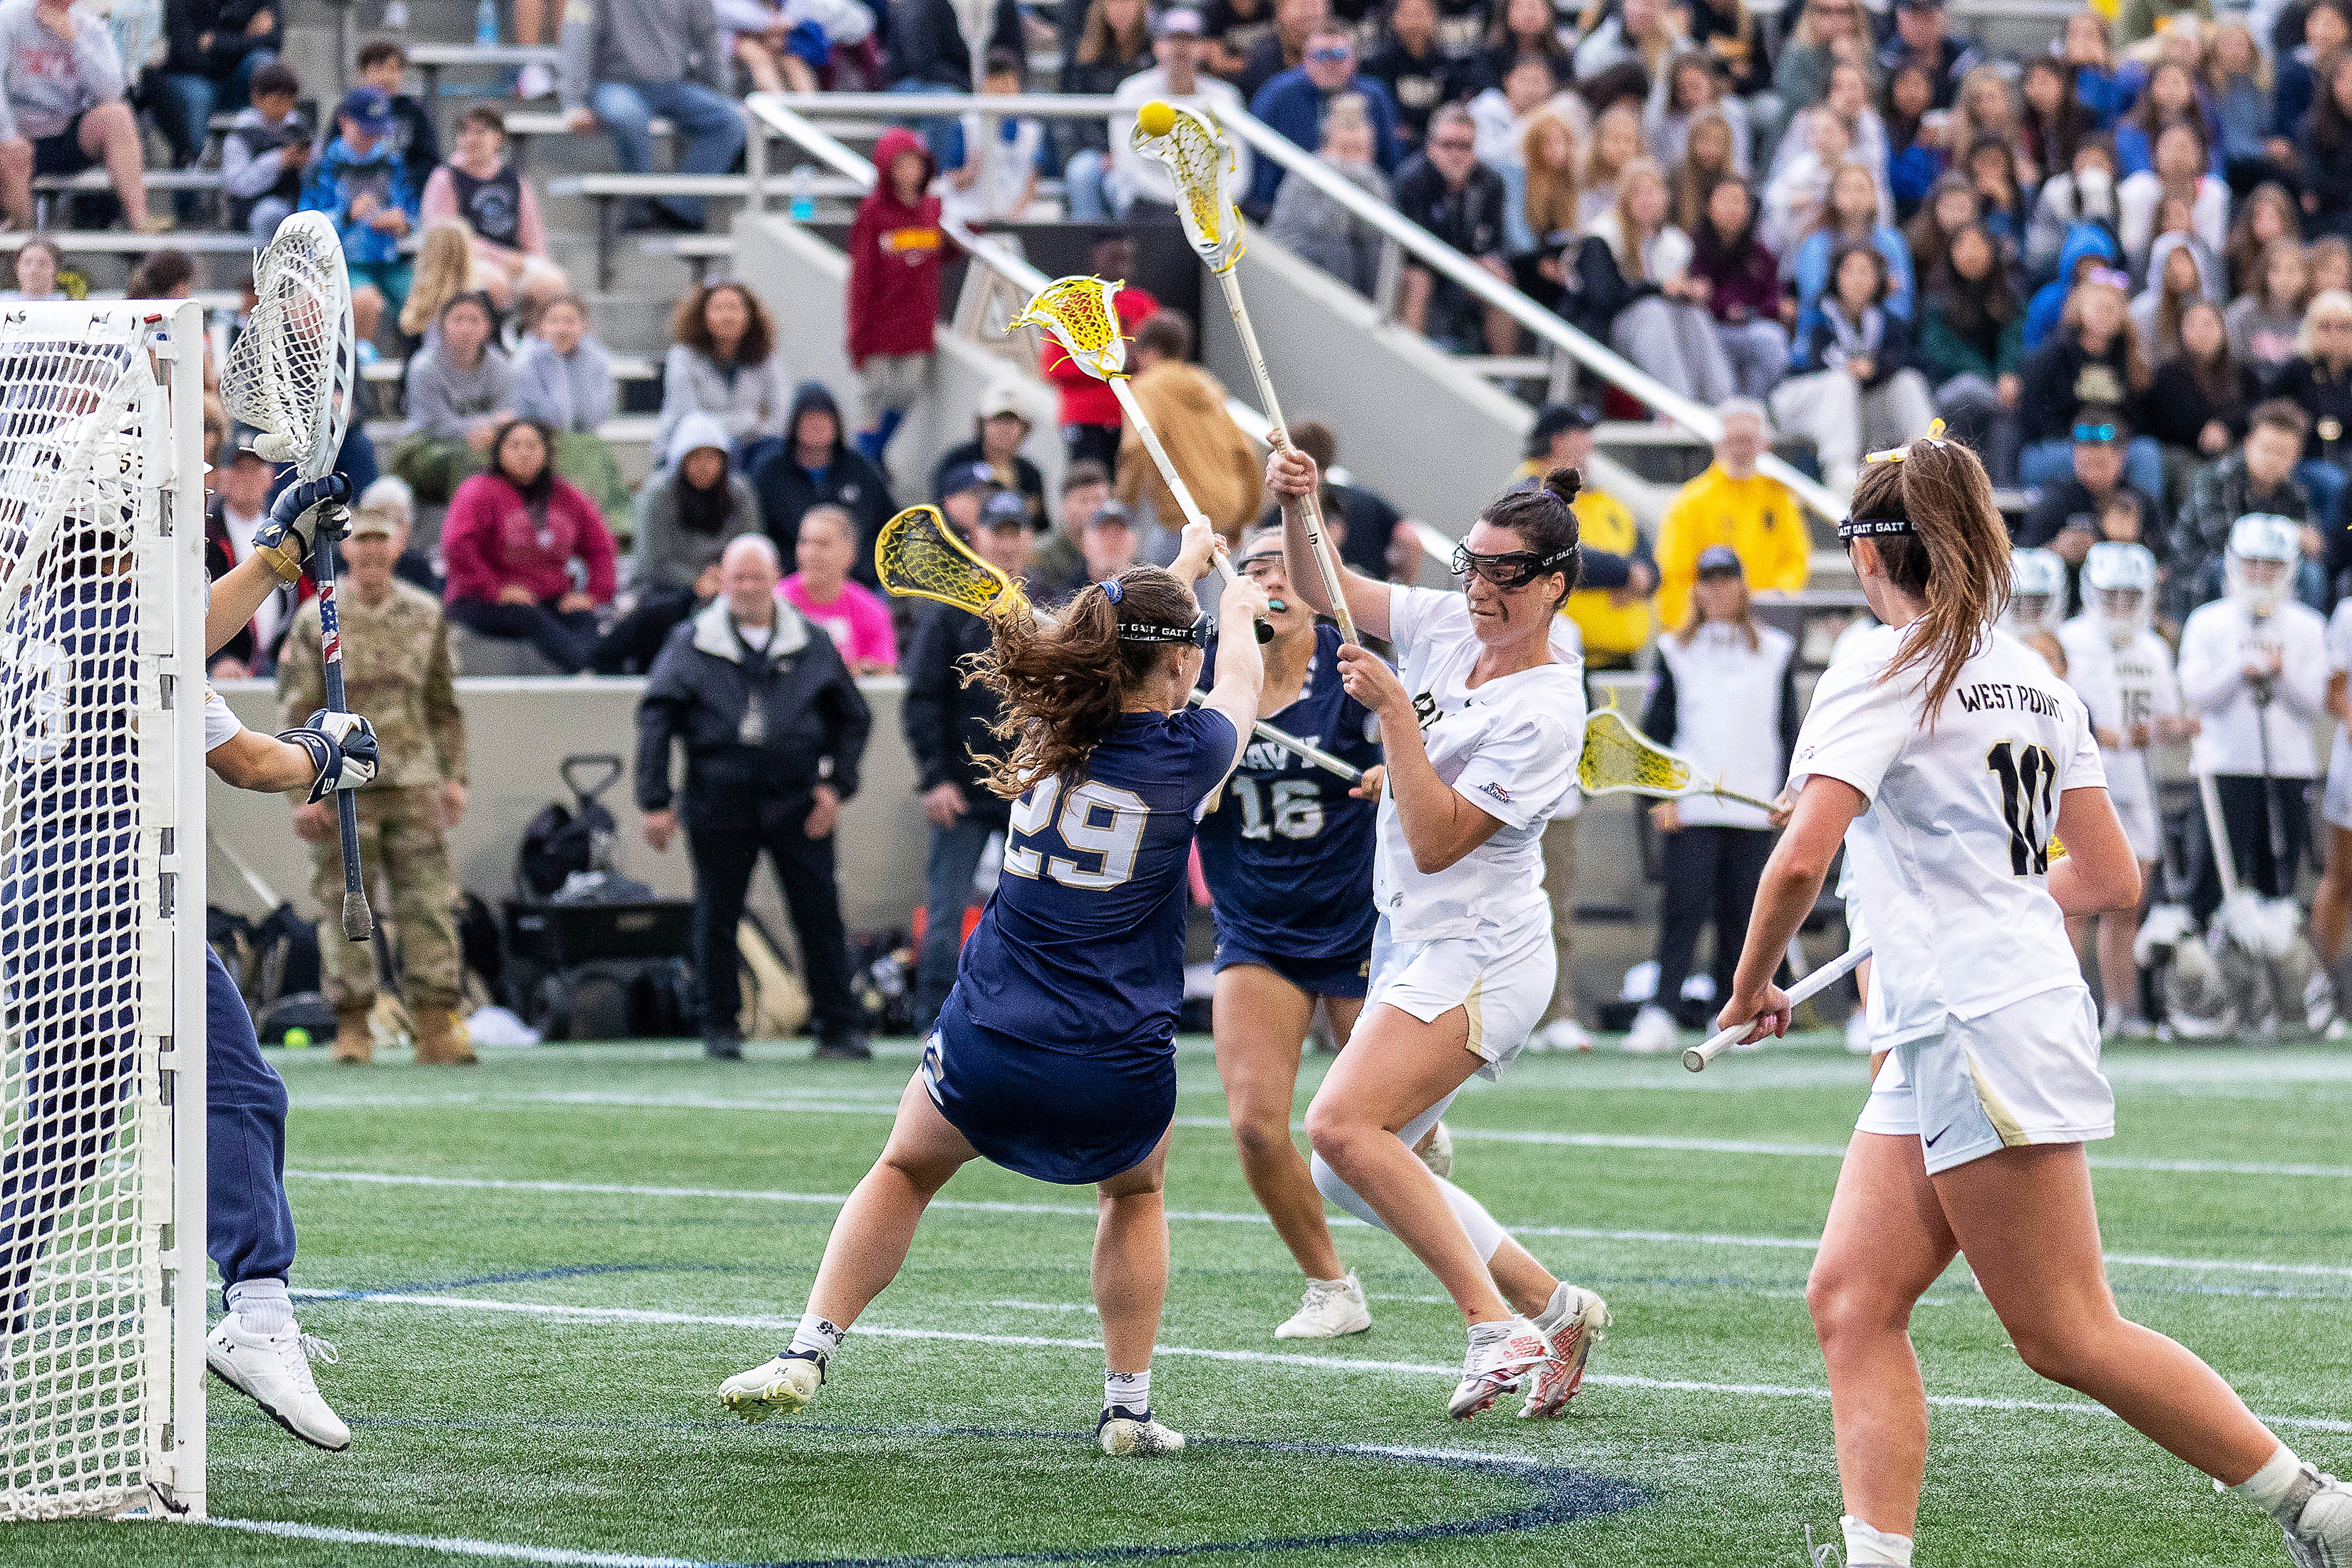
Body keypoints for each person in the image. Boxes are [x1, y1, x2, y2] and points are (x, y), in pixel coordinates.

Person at [1712, 432, 2352, 1568]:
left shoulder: (1879, 663)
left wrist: (1754, 980)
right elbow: (2109, 880)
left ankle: (2319, 1509)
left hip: (1976, 1021)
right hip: (1964, 1014)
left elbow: (1801, 862)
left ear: (1872, 553)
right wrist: (1975, 897)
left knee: (2064, 1332)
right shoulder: (2033, 671)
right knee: (1852, 1300)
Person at [717, 528, 1269, 1458]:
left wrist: (1174, 579)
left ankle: (808, 1351)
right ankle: (1126, 1410)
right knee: (1133, 1195)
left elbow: (1117, 635)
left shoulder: (1054, 720)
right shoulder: (1190, 753)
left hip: (994, 1035)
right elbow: (1239, 688)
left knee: (904, 1170)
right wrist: (1240, 609)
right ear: (1178, 661)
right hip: (1116, 1054)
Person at [1265, 445, 1610, 1421]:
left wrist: (1394, 729)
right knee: (1345, 1167)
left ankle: (1492, 1328)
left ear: (1552, 584)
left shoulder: (1548, 709)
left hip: (1485, 953)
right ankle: (1555, 1308)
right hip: (1423, 941)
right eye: (1473, 565)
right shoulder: (1448, 622)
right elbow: (1319, 584)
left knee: (1337, 1126)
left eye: (1504, 575)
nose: (1480, 590)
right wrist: (1301, 506)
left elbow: (1441, 836)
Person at [191, 495, 374, 1452]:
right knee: (241, 1092)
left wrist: (315, 753)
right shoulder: (133, 634)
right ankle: (259, 1315)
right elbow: (259, 764)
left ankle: (260, 1309)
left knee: (69, 1135)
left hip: (44, 908)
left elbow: (257, 759)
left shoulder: (63, 616)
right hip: (109, 905)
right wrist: (276, 558)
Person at [1195, 528, 1388, 1339]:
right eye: (1253, 563)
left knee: (1377, 1125)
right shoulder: (1203, 666)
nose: (1266, 573)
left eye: (1282, 562)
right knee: (1253, 1121)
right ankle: (1330, 1285)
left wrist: (1398, 770)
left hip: (1358, 919)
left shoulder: (1353, 667)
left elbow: (1439, 752)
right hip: (1256, 923)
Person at [637, 535, 873, 1062]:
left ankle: (838, 1026)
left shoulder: (810, 642)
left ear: (775, 580)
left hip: (798, 801)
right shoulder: (691, 641)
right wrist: (655, 799)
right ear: (722, 580)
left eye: (756, 577)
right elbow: (655, 720)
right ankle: (720, 1026)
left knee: (818, 913)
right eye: (737, 578)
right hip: (718, 799)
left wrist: (836, 786)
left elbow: (854, 718)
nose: (747, 588)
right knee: (718, 915)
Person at [277, 495, 470, 1067]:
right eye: (360, 540)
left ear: (399, 545)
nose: (370, 551)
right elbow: (297, 709)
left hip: (413, 779)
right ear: (344, 546)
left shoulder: (426, 612)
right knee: (343, 903)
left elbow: (443, 705)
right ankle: (353, 1024)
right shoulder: (319, 618)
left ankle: (437, 1023)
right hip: (342, 784)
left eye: (381, 539)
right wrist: (301, 791)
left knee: (429, 903)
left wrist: (453, 778)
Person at [1622, 545, 1797, 1056]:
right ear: (1696, 588)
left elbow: (1788, 730)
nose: (1717, 590)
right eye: (1708, 580)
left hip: (1755, 807)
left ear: (1742, 585)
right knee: (1683, 909)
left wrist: (1790, 793)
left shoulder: (1775, 650)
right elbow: (1657, 732)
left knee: (1746, 916)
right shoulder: (1675, 650)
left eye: (1726, 579)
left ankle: (1736, 1013)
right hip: (1694, 807)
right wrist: (1659, 797)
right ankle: (1662, 1010)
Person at [903, 499, 1036, 1033]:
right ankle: (930, 1019)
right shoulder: (949, 611)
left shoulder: (1047, 606)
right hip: (964, 787)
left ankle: (1024, 1015)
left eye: (1016, 531)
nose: (1006, 542)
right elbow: (923, 700)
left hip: (1032, 788)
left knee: (1036, 912)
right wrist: (934, 778)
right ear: (976, 536)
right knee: (946, 914)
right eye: (996, 531)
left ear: (1030, 538)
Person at [2059, 542, 2187, 1037]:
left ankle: (2123, 1007)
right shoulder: (2067, 641)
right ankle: (2067, 1008)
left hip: (2135, 780)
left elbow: (2162, 715)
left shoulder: (2151, 648)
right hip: (2080, 783)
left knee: (2129, 899)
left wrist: (2172, 727)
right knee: (2074, 902)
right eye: (2110, 596)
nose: (2119, 608)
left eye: (2130, 597)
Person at [2178, 514, 2329, 922]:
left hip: (2290, 767)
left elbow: (2316, 703)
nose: (2261, 573)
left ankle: (2272, 976)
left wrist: (2281, 675)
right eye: (2252, 562)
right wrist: (2238, 669)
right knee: (2212, 880)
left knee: (2278, 883)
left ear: (2290, 568)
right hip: (2222, 765)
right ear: (2233, 562)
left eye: (2273, 564)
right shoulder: (2207, 620)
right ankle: (2208, 977)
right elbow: (2195, 695)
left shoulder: (2308, 625)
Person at [442, 416, 617, 674]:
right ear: (499, 451)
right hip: (481, 599)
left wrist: (593, 594)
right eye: (514, 446)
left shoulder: (565, 494)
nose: (524, 454)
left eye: (532, 446)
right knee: (527, 616)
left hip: (548, 598)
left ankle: (598, 673)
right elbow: (457, 546)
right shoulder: (479, 491)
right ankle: (586, 669)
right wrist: (497, 590)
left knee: (582, 618)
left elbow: (600, 544)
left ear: (546, 452)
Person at [559, 0, 745, 232]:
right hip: (615, 83)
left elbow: (709, 37)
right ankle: (640, 208)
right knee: (628, 116)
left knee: (732, 123)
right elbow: (577, 36)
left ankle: (680, 209)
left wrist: (723, 96)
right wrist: (573, 101)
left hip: (674, 85)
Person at [1773, 241, 1938, 492]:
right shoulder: (1818, 312)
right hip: (1799, 401)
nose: (1857, 279)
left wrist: (1872, 367)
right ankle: (1840, 473)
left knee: (1908, 381)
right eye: (1849, 270)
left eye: (1865, 271)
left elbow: (1900, 359)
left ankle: (1929, 462)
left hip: (1852, 412)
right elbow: (1816, 359)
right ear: (1836, 275)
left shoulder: (1888, 321)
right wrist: (1856, 367)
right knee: (1841, 380)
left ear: (1878, 279)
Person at [1580, 157, 1735, 405]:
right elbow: (1602, 296)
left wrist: (1689, 290)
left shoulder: (1674, 242)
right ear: (1626, 198)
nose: (1648, 200)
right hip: (1612, 329)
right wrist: (1658, 288)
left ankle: (1720, 402)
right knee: (1653, 312)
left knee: (1691, 313)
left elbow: (1678, 288)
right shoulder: (1603, 236)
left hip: (1664, 326)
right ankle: (1676, 405)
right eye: (1640, 193)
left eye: (1655, 191)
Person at [0, 0, 156, 233]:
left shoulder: (90, 26)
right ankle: (25, 249)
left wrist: (76, 40)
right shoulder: (9, 17)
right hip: (16, 136)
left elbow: (111, 93)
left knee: (117, 115)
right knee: (10, 154)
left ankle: (140, 223)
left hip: (66, 134)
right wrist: (7, 135)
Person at [1523, 402, 1656, 671]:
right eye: (1582, 434)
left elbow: (1650, 563)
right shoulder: (1529, 494)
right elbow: (1554, 552)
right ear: (1558, 441)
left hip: (1618, 660)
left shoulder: (1606, 501)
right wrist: (1624, 574)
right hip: (1558, 660)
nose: (1590, 445)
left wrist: (1639, 576)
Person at [1654, 401, 1810, 627]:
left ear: (1764, 445)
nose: (1741, 448)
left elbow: (1795, 558)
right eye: (1734, 440)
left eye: (1748, 440)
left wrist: (1778, 595)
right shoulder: (1692, 500)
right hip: (1706, 626)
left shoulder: (1779, 498)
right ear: (1719, 445)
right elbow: (1675, 570)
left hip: (1763, 625)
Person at [2017, 268, 2165, 505]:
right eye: (2099, 308)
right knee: (2036, 462)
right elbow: (2032, 411)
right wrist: (2084, 448)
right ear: (2081, 310)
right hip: (2064, 444)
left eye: (2111, 310)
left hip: (2116, 447)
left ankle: (2145, 527)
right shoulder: (2054, 354)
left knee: (2148, 453)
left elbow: (2142, 416)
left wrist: (2111, 447)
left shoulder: (2131, 358)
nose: (2104, 315)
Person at [1115, 310, 1264, 547]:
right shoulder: (1208, 386)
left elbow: (1138, 444)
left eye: (1138, 354)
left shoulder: (1147, 387)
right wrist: (1244, 518)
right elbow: (1245, 451)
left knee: (1165, 579)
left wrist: (1124, 503)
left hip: (1183, 512)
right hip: (1228, 506)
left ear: (1151, 352)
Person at [2170, 400, 2323, 625]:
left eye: (2283, 453)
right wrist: (2291, 534)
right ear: (2249, 442)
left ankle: (2296, 641)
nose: (2272, 460)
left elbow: (2313, 544)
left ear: (2296, 457)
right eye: (2266, 449)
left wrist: (2301, 540)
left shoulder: (2294, 492)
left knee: (2310, 573)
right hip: (2201, 574)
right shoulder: (2214, 478)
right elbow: (2224, 542)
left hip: (2266, 569)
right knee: (2228, 567)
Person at [625, 411, 763, 659]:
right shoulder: (658, 494)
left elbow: (753, 547)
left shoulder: (740, 493)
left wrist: (726, 578)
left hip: (729, 585)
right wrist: (697, 581)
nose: (704, 465)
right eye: (695, 457)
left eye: (712, 457)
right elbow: (650, 561)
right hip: (665, 589)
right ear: (681, 460)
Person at [845, 128, 942, 465]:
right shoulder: (873, 213)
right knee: (873, 396)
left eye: (914, 164)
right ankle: (867, 460)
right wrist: (858, 332)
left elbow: (936, 253)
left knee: (908, 392)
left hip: (917, 324)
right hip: (880, 324)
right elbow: (863, 276)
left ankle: (873, 457)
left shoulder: (932, 209)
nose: (908, 173)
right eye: (900, 165)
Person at [299, 87, 421, 346]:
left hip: (391, 260)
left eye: (377, 131)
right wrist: (347, 216)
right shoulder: (322, 165)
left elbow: (413, 213)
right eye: (365, 130)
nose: (371, 138)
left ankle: (412, 362)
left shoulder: (393, 161)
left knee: (427, 296)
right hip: (342, 262)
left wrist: (403, 224)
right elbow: (305, 224)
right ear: (344, 121)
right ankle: (357, 368)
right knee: (365, 300)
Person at [1104, 6, 1249, 222]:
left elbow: (1238, 168)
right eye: (1172, 39)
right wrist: (1180, 202)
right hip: (1149, 203)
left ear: (1202, 48)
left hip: (1211, 207)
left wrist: (1218, 199)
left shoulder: (1225, 97)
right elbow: (1127, 166)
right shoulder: (1133, 91)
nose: (1181, 48)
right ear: (1157, 46)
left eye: (1189, 40)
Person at [421, 106, 569, 317]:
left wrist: (536, 264)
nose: (472, 139)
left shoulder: (516, 181)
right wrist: (504, 259)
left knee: (552, 282)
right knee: (493, 283)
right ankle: (491, 347)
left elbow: (533, 236)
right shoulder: (445, 178)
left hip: (512, 259)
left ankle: (533, 345)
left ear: (499, 137)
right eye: (465, 132)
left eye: (480, 132)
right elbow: (444, 238)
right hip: (462, 260)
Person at [1245, 21, 1401, 217]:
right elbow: (1260, 162)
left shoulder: (1375, 96)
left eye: (1338, 55)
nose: (1328, 64)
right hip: (1291, 206)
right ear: (1304, 60)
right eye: (1319, 55)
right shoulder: (1277, 94)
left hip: (1363, 206)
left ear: (1354, 60)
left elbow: (1391, 161)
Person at [2018, 409, 2165, 609]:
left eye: (2100, 465)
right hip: (2066, 611)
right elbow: (2021, 561)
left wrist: (2128, 548)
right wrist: (2056, 551)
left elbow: (2166, 567)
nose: (2092, 475)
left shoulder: (2141, 502)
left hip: (2126, 611)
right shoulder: (2058, 500)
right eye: (2085, 465)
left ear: (2121, 457)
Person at [749, 381, 896, 567]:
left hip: (861, 578)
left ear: (837, 424)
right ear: (794, 424)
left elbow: (890, 521)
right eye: (809, 418)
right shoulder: (770, 472)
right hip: (793, 578)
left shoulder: (860, 467)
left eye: (825, 418)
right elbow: (758, 533)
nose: (817, 425)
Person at [1919, 221, 2023, 481]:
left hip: (1996, 392)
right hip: (1944, 389)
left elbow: (2013, 339)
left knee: (2009, 406)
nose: (1971, 252)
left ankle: (2001, 487)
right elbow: (1941, 351)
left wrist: (2008, 372)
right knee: (1971, 389)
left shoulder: (2006, 296)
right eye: (1963, 245)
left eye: (1979, 245)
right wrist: (1992, 378)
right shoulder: (1936, 297)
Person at [510, 292, 628, 519]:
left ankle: (600, 525)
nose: (562, 329)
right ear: (541, 326)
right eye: (554, 321)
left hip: (581, 440)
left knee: (592, 446)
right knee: (585, 448)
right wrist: (555, 362)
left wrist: (580, 363)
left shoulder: (594, 360)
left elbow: (594, 418)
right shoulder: (525, 365)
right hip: (536, 441)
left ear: (583, 327)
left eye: (570, 321)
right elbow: (557, 420)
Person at [656, 279, 791, 475]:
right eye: (717, 309)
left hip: (755, 449)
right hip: (694, 448)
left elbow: (780, 417)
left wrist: (732, 426)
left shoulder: (767, 358)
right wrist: (751, 419)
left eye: (735, 308)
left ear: (749, 316)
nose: (727, 316)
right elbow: (692, 420)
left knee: (775, 457)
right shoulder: (682, 356)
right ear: (703, 316)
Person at [391, 292, 512, 505]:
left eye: (474, 320)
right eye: (459, 320)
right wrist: (483, 427)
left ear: (488, 327)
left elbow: (507, 415)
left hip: (483, 440)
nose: (466, 328)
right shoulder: (424, 366)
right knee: (467, 458)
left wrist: (490, 430)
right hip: (422, 445)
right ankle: (464, 526)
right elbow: (437, 424)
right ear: (443, 325)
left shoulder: (499, 365)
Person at [1267, 92, 1391, 296]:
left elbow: (1376, 249)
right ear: (1327, 140)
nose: (1355, 165)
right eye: (1345, 129)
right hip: (1297, 281)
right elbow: (1310, 232)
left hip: (1354, 292)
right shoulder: (1307, 174)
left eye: (1359, 148)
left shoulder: (1376, 182)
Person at [154, 0, 276, 191]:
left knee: (265, 63)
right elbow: (185, 53)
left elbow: (273, 41)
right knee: (199, 96)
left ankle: (270, 171)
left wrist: (217, 42)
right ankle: (189, 193)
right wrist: (246, 40)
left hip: (237, 81)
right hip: (192, 77)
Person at [1689, 176, 1791, 403]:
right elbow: (1695, 293)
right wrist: (1723, 308)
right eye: (1725, 200)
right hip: (1708, 329)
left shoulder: (1761, 253)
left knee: (1771, 341)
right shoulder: (1692, 247)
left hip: (1750, 328)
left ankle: (1755, 414)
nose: (1732, 208)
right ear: (1709, 206)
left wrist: (1750, 312)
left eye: (1738, 201)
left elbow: (1773, 298)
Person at [1056, 0, 1155, 220]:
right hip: (1095, 148)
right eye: (1115, 3)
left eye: (1129, 3)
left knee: (1120, 185)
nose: (1122, 9)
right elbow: (1076, 113)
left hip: (1142, 151)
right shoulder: (1084, 55)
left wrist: (1122, 152)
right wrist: (1103, 150)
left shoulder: (1153, 54)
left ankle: (1135, 246)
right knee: (1081, 173)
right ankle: (1089, 248)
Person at [783, 504, 897, 675]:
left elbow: (884, 675)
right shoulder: (778, 602)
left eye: (822, 544)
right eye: (804, 542)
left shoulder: (871, 611)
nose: (810, 553)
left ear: (850, 554)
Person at [943, 47, 1044, 225]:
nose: (1000, 89)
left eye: (1007, 81)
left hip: (1016, 216)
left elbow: (1032, 180)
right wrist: (971, 171)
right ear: (983, 84)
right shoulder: (966, 125)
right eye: (993, 81)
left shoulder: (1031, 129)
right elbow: (953, 180)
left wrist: (1014, 216)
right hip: (971, 212)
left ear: (1017, 85)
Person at [930, 378, 1046, 530]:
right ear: (983, 424)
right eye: (998, 420)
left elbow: (1040, 523)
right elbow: (939, 507)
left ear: (1023, 428)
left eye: (1011, 421)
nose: (1004, 428)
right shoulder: (957, 460)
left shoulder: (1029, 472)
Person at [220, 59, 309, 247]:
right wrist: (278, 161)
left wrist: (305, 165)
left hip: (296, 201)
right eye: (278, 101)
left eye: (290, 101)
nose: (285, 107)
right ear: (257, 98)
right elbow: (237, 185)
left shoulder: (300, 129)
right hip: (252, 209)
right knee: (271, 214)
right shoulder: (240, 136)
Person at [351, 38, 439, 196]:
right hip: (354, 200)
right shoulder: (349, 111)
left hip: (402, 203)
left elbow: (429, 162)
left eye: (393, 69)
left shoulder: (413, 113)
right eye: (378, 69)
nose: (387, 77)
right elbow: (332, 158)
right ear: (362, 74)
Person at [1030, 459, 1116, 599]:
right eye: (1084, 501)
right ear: (1065, 505)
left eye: (1099, 500)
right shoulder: (1042, 555)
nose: (1093, 509)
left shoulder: (1118, 549)